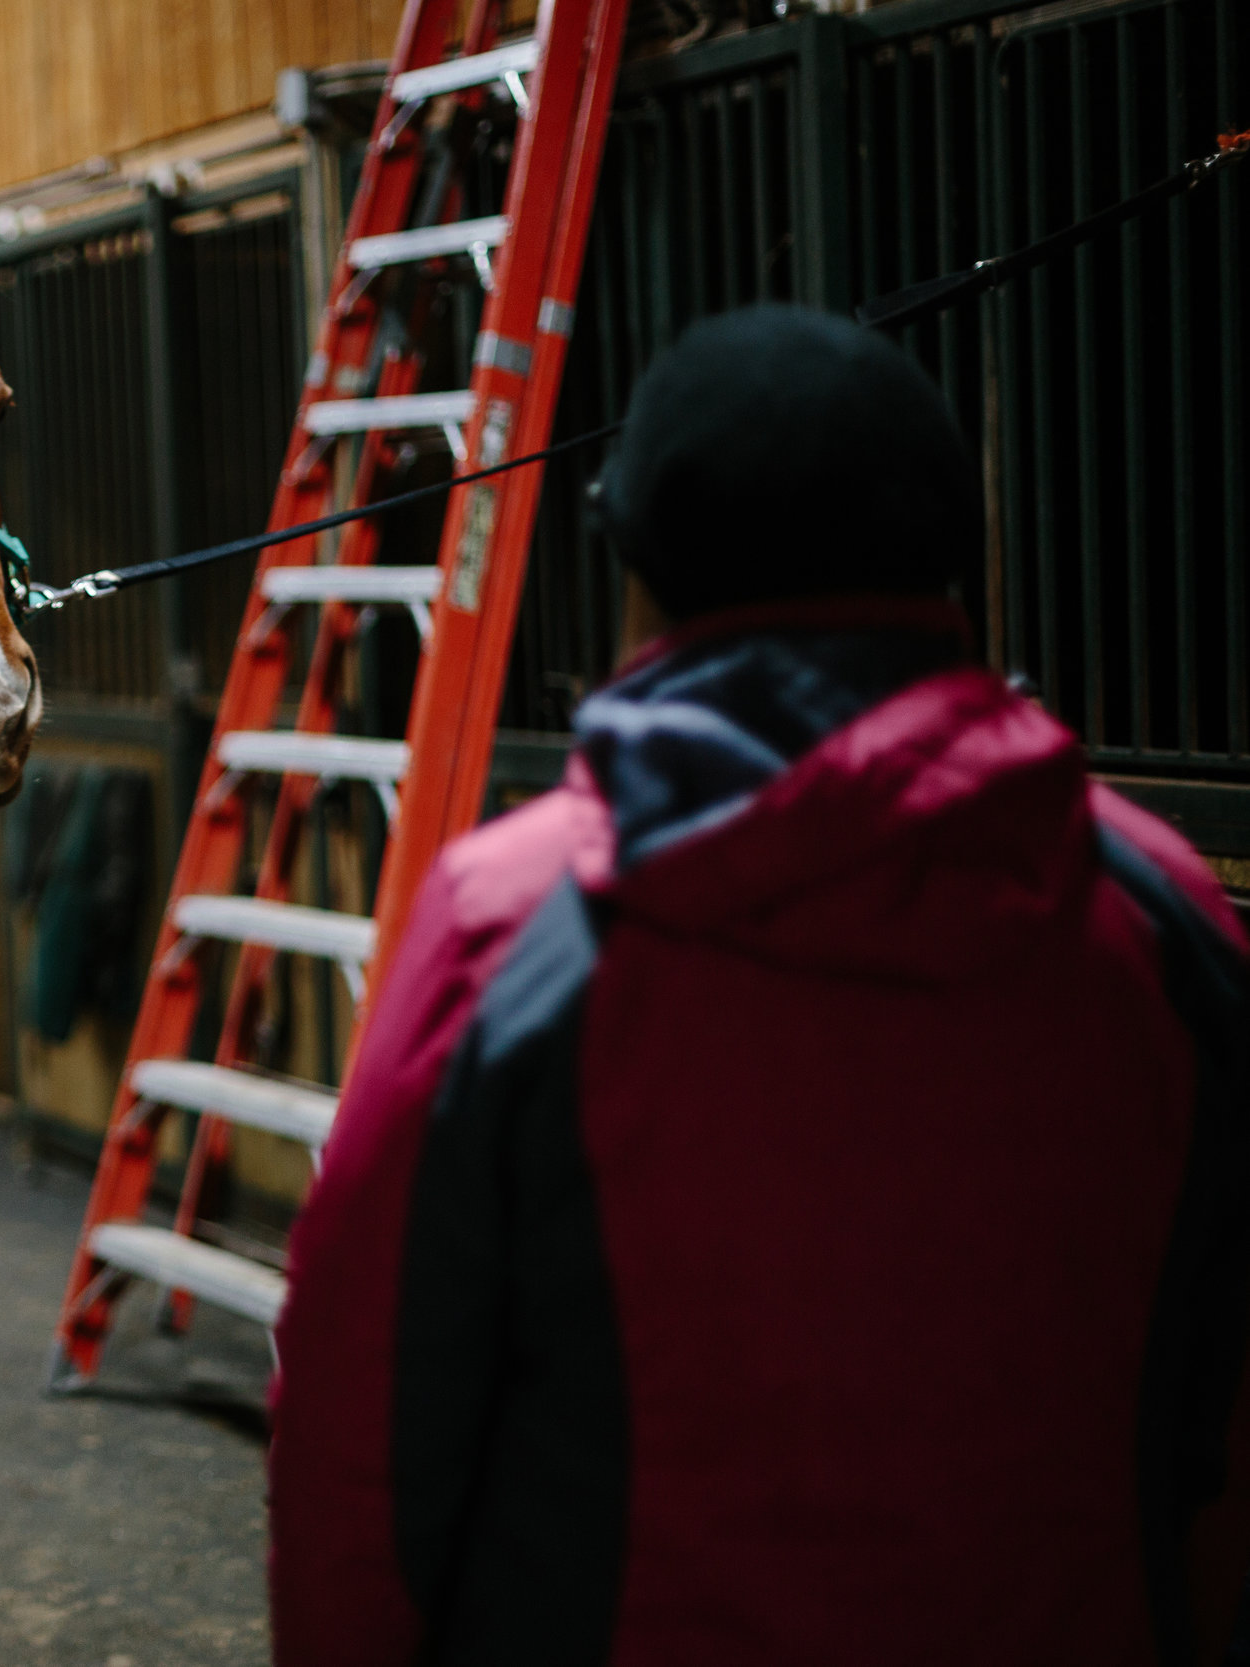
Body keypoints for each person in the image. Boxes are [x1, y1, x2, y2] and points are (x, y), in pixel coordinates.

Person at [267, 305, 1250, 1665]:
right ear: (957, 566)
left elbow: (360, 1440)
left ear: (639, 580)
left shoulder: (511, 925)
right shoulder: (1159, 910)